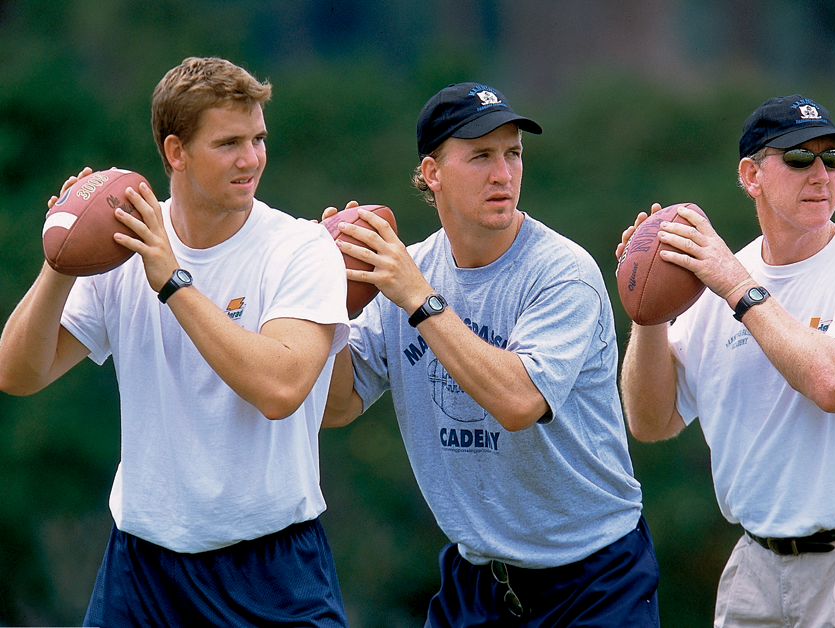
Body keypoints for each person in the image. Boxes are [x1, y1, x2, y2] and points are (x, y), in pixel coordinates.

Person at [0, 57, 350, 627]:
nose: (251, 159)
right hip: (140, 569)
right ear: (175, 152)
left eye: (258, 138)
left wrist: (172, 281)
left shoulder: (301, 248)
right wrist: (62, 258)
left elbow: (280, 387)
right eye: (229, 143)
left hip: (270, 570)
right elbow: (18, 374)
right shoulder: (122, 245)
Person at [323, 82, 660, 627]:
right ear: (432, 174)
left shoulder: (562, 272)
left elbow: (519, 400)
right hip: (475, 580)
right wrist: (328, 302)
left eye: (513, 153)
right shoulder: (408, 270)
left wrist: (418, 297)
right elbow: (338, 404)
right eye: (481, 155)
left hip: (594, 578)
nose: (503, 173)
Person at [618, 94, 835, 627]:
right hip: (754, 574)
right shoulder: (719, 280)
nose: (821, 173)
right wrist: (646, 306)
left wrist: (735, 286)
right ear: (751, 174)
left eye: (832, 156)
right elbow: (651, 421)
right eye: (799, 157)